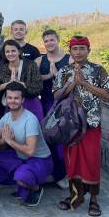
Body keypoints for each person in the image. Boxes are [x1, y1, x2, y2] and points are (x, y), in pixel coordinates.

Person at [54, 36, 109, 217]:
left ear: (89, 50)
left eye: (81, 48)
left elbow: (107, 95)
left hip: (91, 123)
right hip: (70, 124)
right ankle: (74, 195)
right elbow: (56, 96)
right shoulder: (63, 71)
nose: (78, 52)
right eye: (75, 49)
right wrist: (72, 84)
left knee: (91, 161)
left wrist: (84, 83)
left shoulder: (98, 70)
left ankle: (93, 199)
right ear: (70, 52)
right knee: (72, 160)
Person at [0, 82, 53, 207]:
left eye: (16, 98)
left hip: (40, 159)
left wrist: (10, 141)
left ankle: (35, 188)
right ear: (6, 99)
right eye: (10, 98)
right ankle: (21, 183)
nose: (12, 101)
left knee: (21, 177)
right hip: (20, 158)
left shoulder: (30, 120)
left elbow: (30, 151)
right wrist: (2, 141)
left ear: (22, 99)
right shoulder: (6, 117)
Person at [35, 29, 70, 188]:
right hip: (45, 103)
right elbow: (35, 80)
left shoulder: (68, 60)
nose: (49, 43)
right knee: (47, 139)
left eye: (51, 40)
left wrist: (57, 76)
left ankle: (64, 174)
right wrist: (49, 76)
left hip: (63, 104)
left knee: (62, 141)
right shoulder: (40, 60)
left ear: (58, 40)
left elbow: (72, 82)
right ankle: (53, 172)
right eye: (46, 41)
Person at [0, 39, 44, 122]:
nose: (10, 54)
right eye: (7, 51)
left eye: (13, 51)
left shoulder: (30, 65)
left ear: (19, 52)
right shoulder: (2, 69)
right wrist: (7, 84)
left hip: (31, 105)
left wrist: (22, 85)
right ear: (4, 54)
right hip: (12, 106)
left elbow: (39, 87)